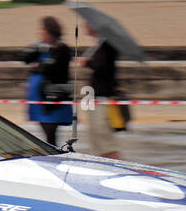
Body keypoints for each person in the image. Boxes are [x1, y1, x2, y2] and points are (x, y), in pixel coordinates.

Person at [22, 15, 74, 147]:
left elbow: (54, 68)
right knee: (47, 132)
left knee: (51, 132)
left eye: (43, 30)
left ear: (50, 31)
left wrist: (39, 66)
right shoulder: (41, 47)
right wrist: (38, 48)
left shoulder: (62, 49)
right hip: (40, 96)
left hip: (53, 97)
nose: (41, 32)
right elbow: (26, 58)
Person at [76, 24, 120, 159]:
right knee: (97, 138)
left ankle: (115, 165)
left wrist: (87, 63)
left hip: (102, 97)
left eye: (88, 24)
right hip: (95, 96)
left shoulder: (107, 45)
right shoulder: (100, 44)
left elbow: (104, 69)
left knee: (104, 138)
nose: (85, 27)